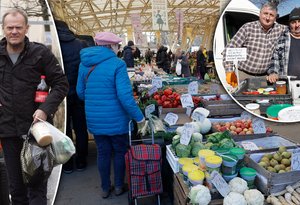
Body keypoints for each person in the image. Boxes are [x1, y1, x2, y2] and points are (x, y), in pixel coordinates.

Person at [0, 8, 69, 205]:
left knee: (37, 186)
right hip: (7, 131)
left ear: (26, 28)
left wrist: (45, 109)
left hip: (36, 132)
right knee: (16, 189)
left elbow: (61, 83)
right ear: (4, 29)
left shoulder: (40, 53)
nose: (14, 31)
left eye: (18, 27)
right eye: (10, 27)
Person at [76, 32, 145, 199]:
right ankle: (120, 186)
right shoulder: (117, 64)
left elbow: (80, 93)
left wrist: (95, 101)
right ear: (112, 46)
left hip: (95, 118)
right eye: (117, 46)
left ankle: (105, 188)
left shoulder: (84, 64)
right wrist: (140, 117)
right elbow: (125, 97)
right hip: (117, 119)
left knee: (103, 152)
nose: (118, 48)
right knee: (120, 152)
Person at [55, 20, 89, 173]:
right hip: (79, 92)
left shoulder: (53, 45)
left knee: (64, 129)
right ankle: (81, 161)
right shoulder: (80, 44)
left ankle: (67, 163)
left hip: (60, 94)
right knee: (81, 127)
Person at [222, 2, 286, 84]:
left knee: (263, 96)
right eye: (265, 13)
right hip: (243, 74)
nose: (267, 17)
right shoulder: (248, 27)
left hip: (265, 76)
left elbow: (295, 30)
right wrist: (229, 71)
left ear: (275, 18)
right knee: (240, 96)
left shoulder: (281, 29)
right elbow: (229, 49)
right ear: (260, 14)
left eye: (271, 15)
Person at [267, 7, 300, 83]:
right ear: (289, 24)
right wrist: (273, 73)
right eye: (293, 22)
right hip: (287, 84)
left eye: (299, 21)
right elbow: (275, 58)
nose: (297, 25)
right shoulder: (282, 38)